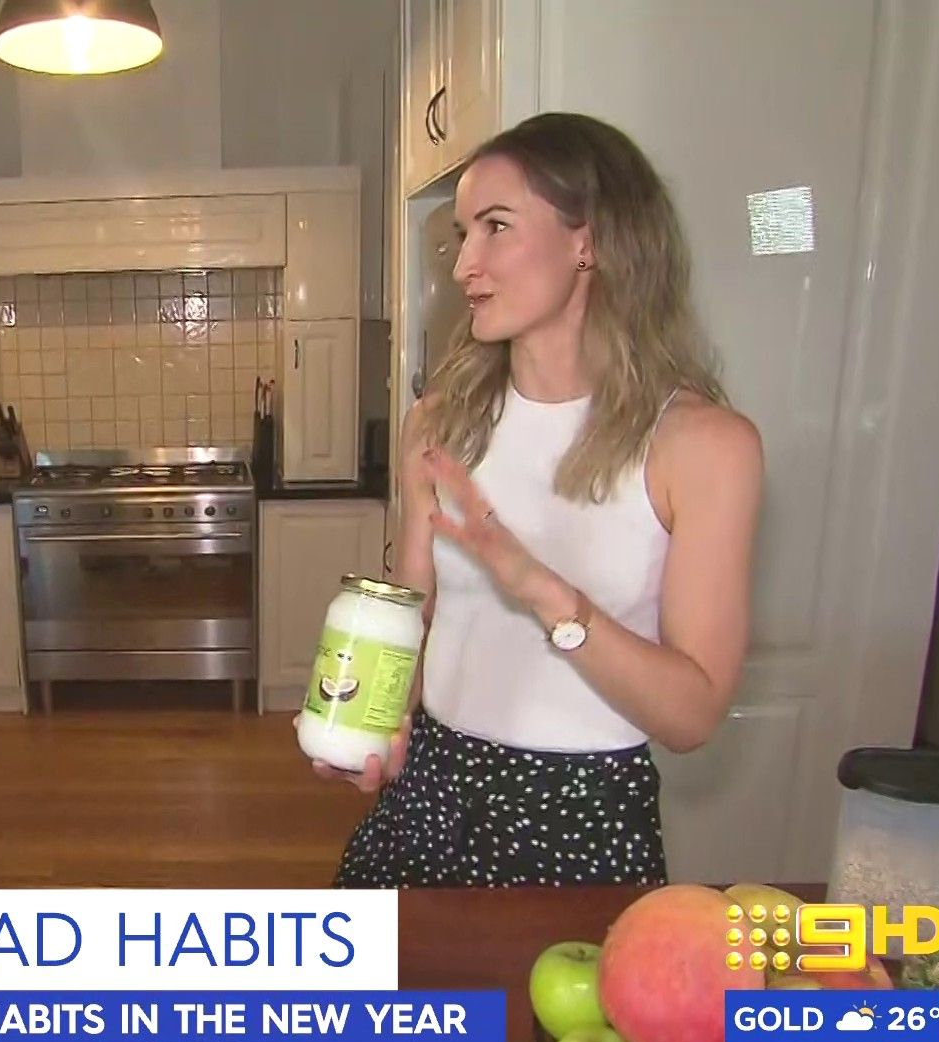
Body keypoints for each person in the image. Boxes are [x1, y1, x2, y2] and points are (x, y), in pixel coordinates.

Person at [311, 112, 763, 888]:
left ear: (590, 241)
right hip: (431, 793)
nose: (465, 265)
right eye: (463, 235)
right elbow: (413, 620)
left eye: (496, 227)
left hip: (582, 813)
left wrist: (544, 592)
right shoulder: (440, 423)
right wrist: (376, 727)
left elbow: (691, 716)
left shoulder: (704, 447)